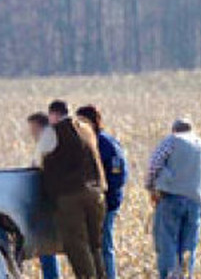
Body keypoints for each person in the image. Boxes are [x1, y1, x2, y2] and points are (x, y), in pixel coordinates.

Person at [145, 118, 201, 279]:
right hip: (196, 203)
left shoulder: (172, 141)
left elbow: (154, 165)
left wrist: (151, 188)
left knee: (167, 244)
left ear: (174, 130)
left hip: (170, 199)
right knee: (188, 247)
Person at [36, 100, 108, 279]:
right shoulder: (86, 129)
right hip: (97, 192)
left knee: (77, 245)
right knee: (94, 246)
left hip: (70, 195)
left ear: (53, 115)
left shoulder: (53, 133)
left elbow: (40, 163)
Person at [76, 105, 128, 279]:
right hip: (92, 204)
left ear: (92, 122)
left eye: (81, 122)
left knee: (104, 247)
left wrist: (105, 199)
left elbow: (117, 176)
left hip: (105, 204)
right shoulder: (86, 142)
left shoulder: (106, 144)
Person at [27, 112, 62, 279]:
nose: (31, 133)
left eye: (32, 129)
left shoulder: (47, 143)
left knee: (46, 248)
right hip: (55, 202)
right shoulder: (53, 141)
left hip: (49, 203)